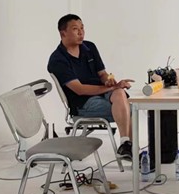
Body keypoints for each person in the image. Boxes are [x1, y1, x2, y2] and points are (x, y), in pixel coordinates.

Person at [47, 14, 135, 159]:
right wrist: (111, 88)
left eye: (82, 28)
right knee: (131, 109)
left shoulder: (90, 47)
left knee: (120, 93)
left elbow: (102, 74)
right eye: (76, 29)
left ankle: (126, 144)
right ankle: (131, 151)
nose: (81, 32)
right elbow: (80, 90)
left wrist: (109, 81)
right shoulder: (58, 60)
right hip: (83, 103)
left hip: (103, 93)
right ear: (63, 33)